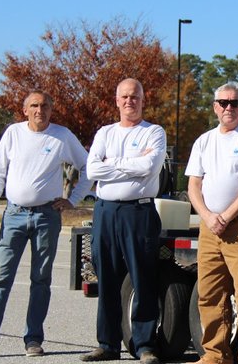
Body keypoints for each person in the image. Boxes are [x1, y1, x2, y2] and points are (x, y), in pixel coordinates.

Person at [0, 91, 91, 360]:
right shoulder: (13, 134)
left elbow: (88, 166)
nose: (40, 110)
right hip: (14, 215)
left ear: (52, 110)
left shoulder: (62, 136)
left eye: (45, 106)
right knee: (0, 279)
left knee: (41, 280)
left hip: (46, 217)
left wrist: (72, 199)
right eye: (34, 106)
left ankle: (33, 340)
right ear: (25, 109)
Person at [185, 81, 238, 364]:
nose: (228, 107)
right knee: (209, 293)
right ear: (214, 106)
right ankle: (215, 354)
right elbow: (193, 187)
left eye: (234, 103)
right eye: (223, 102)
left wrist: (227, 215)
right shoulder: (204, 141)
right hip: (210, 228)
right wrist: (209, 217)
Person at [80, 78, 165, 364]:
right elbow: (92, 169)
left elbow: (149, 167)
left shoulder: (154, 132)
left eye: (135, 97)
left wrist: (111, 163)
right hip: (105, 213)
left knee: (142, 279)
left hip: (138, 213)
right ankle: (107, 344)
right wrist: (129, 164)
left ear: (143, 100)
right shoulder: (105, 133)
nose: (130, 101)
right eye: (125, 97)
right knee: (107, 280)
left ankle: (144, 345)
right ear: (117, 100)